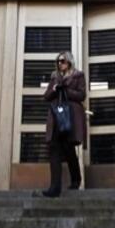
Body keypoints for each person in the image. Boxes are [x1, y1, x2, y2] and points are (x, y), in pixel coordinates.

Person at [40, 51, 87, 198]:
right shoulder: (55, 77)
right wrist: (54, 89)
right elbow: (46, 96)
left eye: (63, 61)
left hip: (70, 117)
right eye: (59, 61)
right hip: (56, 117)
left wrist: (66, 90)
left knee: (68, 149)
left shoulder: (78, 75)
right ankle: (55, 187)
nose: (60, 64)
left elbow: (81, 95)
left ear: (69, 62)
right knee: (54, 148)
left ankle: (76, 179)